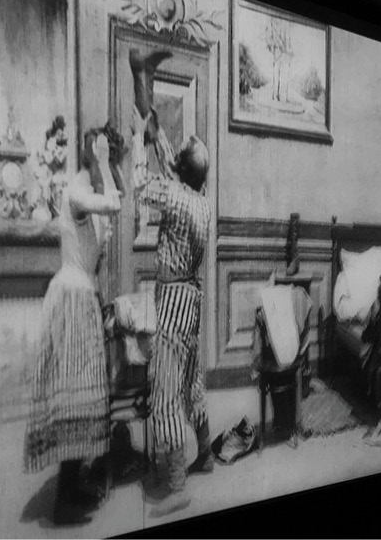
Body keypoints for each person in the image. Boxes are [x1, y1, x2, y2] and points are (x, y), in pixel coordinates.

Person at [23, 124, 125, 525]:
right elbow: (113, 204)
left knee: (79, 394)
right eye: (107, 159)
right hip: (71, 296)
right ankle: (64, 498)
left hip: (83, 295)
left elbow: (97, 245)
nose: (111, 168)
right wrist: (102, 162)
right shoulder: (77, 190)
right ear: (94, 157)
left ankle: (70, 486)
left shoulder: (88, 192)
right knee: (70, 393)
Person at [129, 47, 213, 517]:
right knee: (191, 382)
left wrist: (144, 139)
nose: (174, 150)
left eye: (179, 153)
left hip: (174, 300)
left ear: (181, 171)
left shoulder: (176, 197)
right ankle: (204, 455)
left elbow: (144, 184)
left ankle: (176, 483)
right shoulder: (199, 197)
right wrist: (153, 119)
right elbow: (169, 153)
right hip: (193, 297)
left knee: (163, 394)